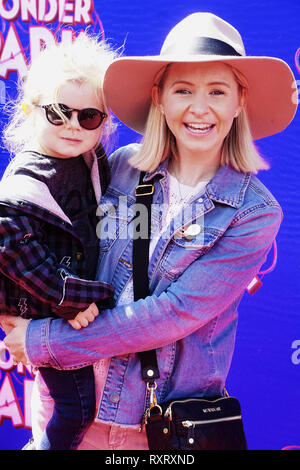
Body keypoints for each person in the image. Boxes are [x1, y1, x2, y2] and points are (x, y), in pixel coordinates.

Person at [0, 12, 297, 451]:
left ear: (239, 102)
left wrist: (43, 339)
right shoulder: (118, 167)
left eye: (217, 91)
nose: (199, 108)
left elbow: (172, 314)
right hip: (68, 414)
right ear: (159, 98)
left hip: (157, 432)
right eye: (183, 90)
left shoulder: (253, 213)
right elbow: (52, 239)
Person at [0, 34, 117, 449]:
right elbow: (28, 267)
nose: (73, 125)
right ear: (33, 112)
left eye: (88, 117)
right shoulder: (19, 189)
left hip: (70, 313)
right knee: (76, 410)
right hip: (45, 314)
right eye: (58, 113)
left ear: (105, 122)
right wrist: (91, 299)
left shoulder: (92, 159)